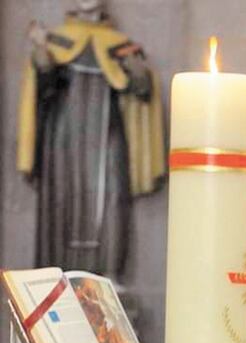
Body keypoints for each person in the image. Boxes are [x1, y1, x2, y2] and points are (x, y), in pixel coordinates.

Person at [17, 0, 165, 280]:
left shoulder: (119, 44)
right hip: (63, 135)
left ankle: (107, 277)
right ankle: (54, 277)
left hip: (107, 133)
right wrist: (41, 50)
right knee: (61, 196)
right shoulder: (57, 40)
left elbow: (142, 89)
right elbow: (43, 86)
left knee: (110, 195)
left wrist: (136, 68)